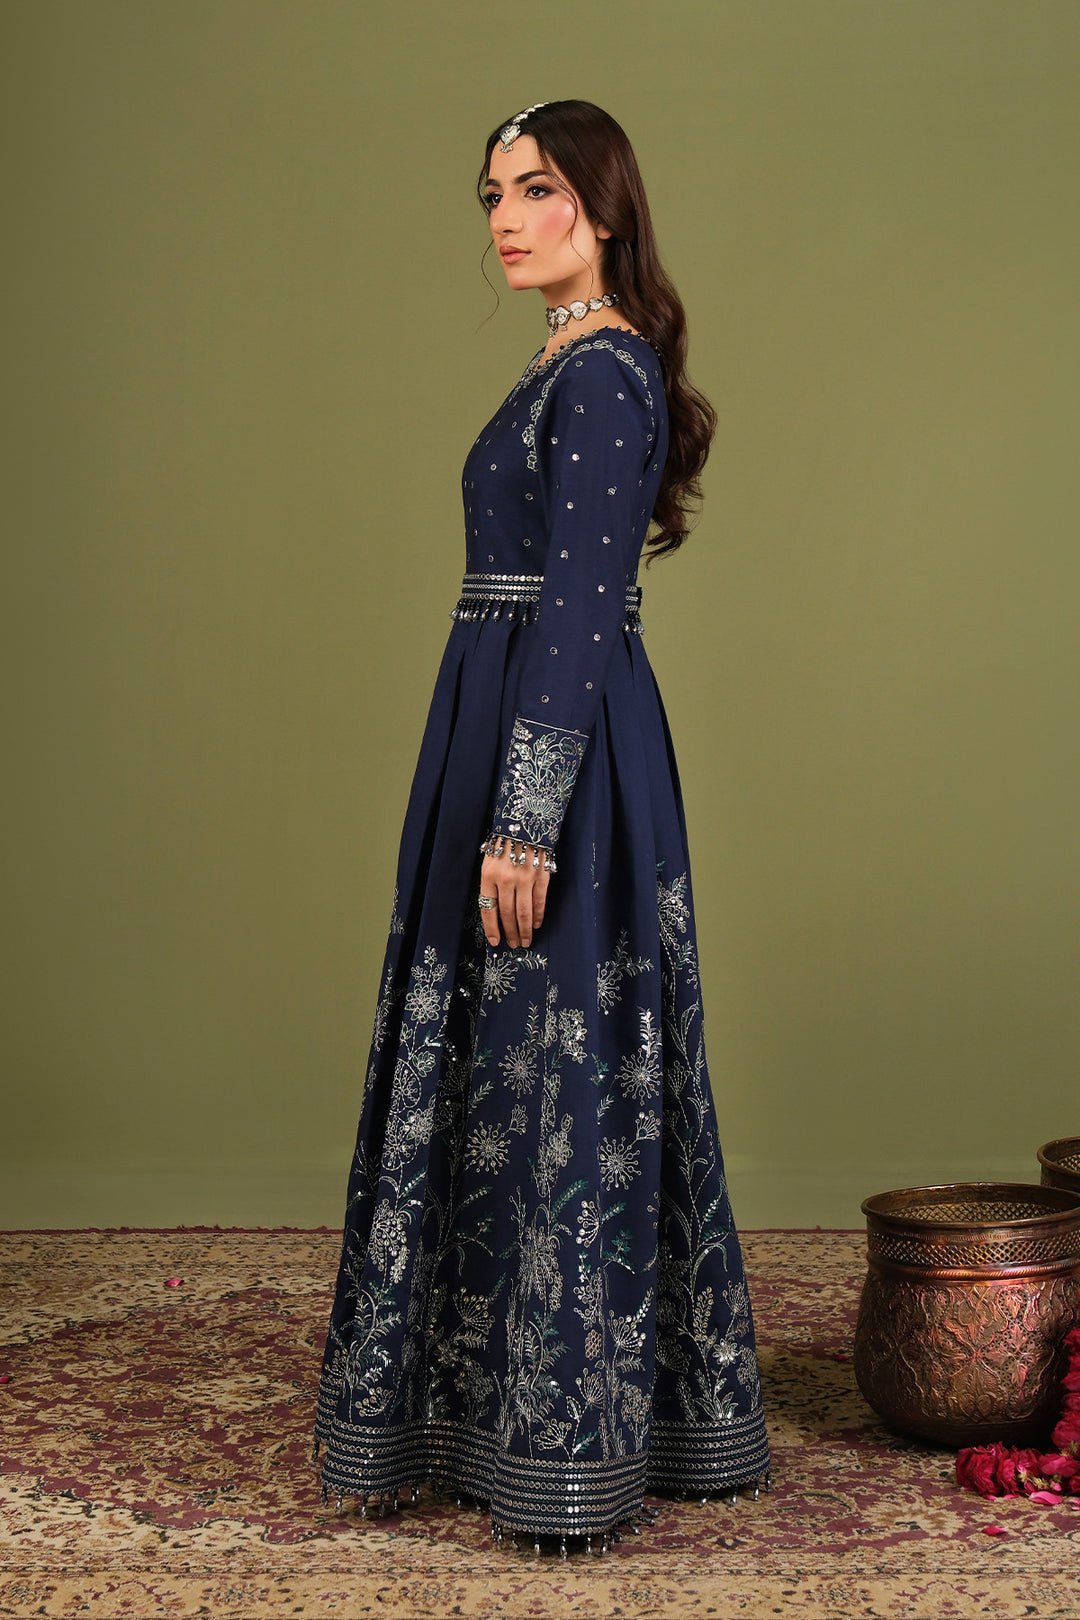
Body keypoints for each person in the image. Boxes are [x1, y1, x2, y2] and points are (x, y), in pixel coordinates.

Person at [311, 98, 771, 1558]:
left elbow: (576, 608)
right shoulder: (567, 361)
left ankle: (568, 1443)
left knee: (559, 1064)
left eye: (538, 190)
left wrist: (525, 821)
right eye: (493, 194)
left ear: (605, 208)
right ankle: (478, 1409)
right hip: (504, 719)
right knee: (504, 1062)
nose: (506, 219)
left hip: (551, 747)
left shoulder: (605, 374)